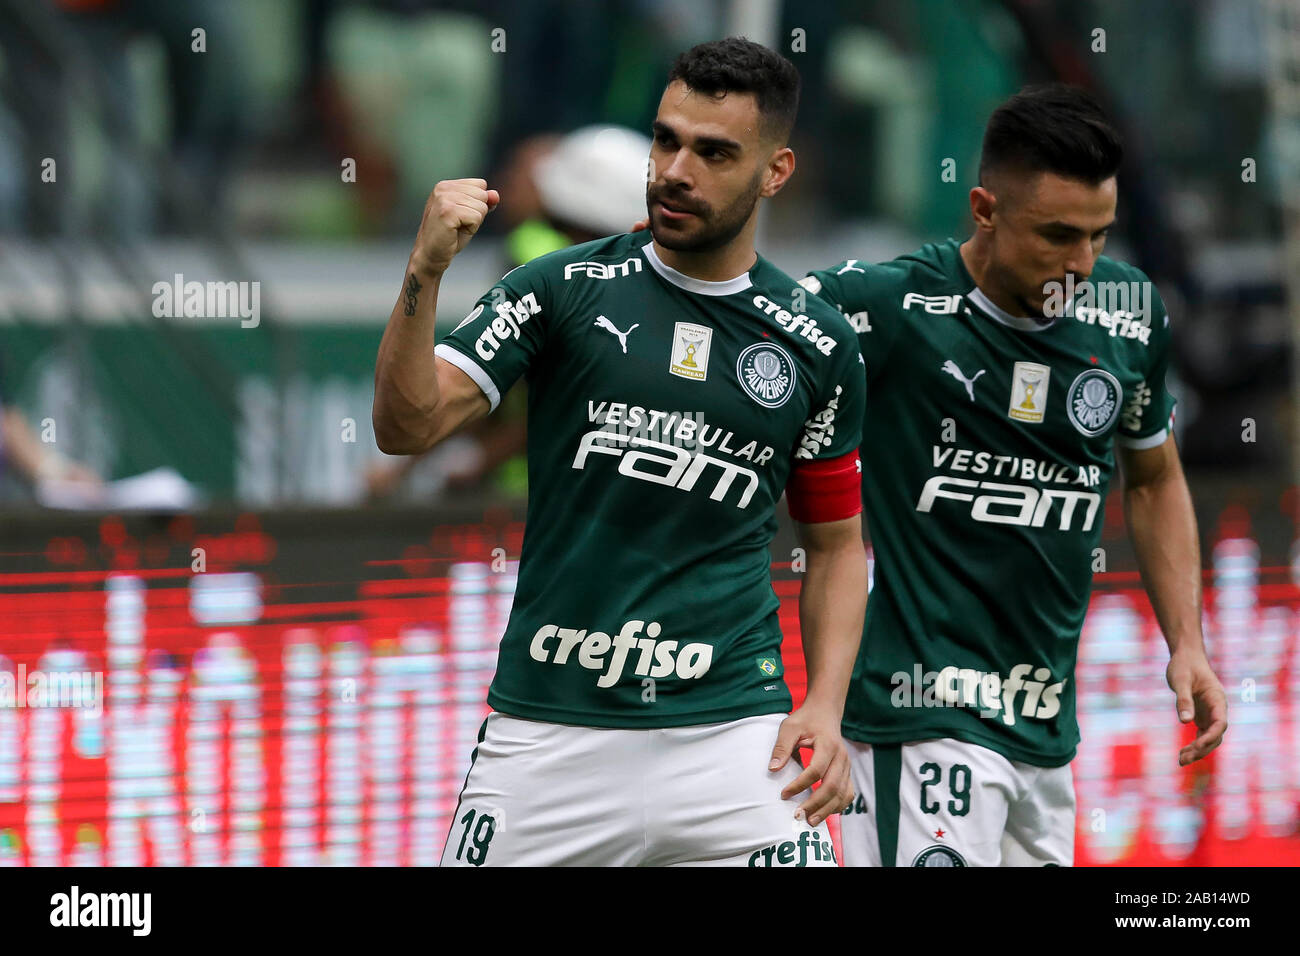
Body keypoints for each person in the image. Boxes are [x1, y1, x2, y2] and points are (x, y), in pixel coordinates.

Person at [373, 37, 867, 866]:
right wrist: (423, 271)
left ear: (775, 172)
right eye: (666, 140)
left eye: (714, 153)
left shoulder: (815, 344)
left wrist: (825, 706)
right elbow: (405, 427)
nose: (677, 170)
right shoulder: (558, 290)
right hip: (549, 730)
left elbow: (838, 546)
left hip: (736, 738)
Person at [800, 84, 1228, 866]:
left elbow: (1153, 479)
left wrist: (1187, 644)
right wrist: (674, 266)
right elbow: (746, 316)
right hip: (919, 712)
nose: (1081, 263)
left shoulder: (1129, 312)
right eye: (1057, 235)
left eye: (1099, 235)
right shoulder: (891, 305)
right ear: (985, 211)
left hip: (1044, 731)